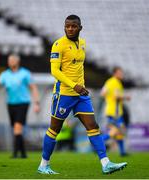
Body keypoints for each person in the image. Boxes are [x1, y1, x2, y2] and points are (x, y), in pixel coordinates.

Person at [38, 15, 127, 175]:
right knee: (54, 130)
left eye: (73, 26)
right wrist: (74, 85)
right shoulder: (58, 45)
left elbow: (78, 68)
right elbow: (54, 71)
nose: (70, 29)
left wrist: (81, 87)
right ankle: (44, 165)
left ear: (80, 27)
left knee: (93, 126)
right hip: (64, 94)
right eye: (67, 26)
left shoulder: (83, 43)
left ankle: (105, 163)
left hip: (81, 95)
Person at [0, 54, 40, 158]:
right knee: (16, 129)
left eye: (12, 60)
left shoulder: (25, 73)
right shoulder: (5, 74)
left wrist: (36, 103)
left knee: (17, 127)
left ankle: (15, 153)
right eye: (9, 60)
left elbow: (33, 88)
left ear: (18, 61)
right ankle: (23, 153)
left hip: (23, 103)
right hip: (10, 103)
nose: (10, 62)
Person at [100, 67, 130, 156]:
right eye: (120, 73)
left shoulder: (110, 82)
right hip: (115, 112)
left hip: (113, 110)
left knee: (119, 131)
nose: (121, 74)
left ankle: (122, 152)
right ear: (115, 73)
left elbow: (103, 93)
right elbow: (116, 96)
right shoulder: (115, 82)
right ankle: (98, 142)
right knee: (115, 131)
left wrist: (108, 98)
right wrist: (126, 97)